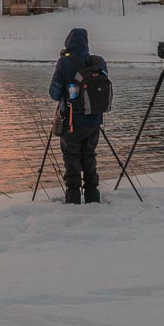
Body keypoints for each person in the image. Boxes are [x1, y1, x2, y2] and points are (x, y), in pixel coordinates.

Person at [49, 28, 107, 205]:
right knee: (89, 155)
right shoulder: (99, 61)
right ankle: (92, 195)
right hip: (94, 120)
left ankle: (73, 198)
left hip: (72, 122)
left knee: (71, 156)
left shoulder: (64, 62)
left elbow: (54, 92)